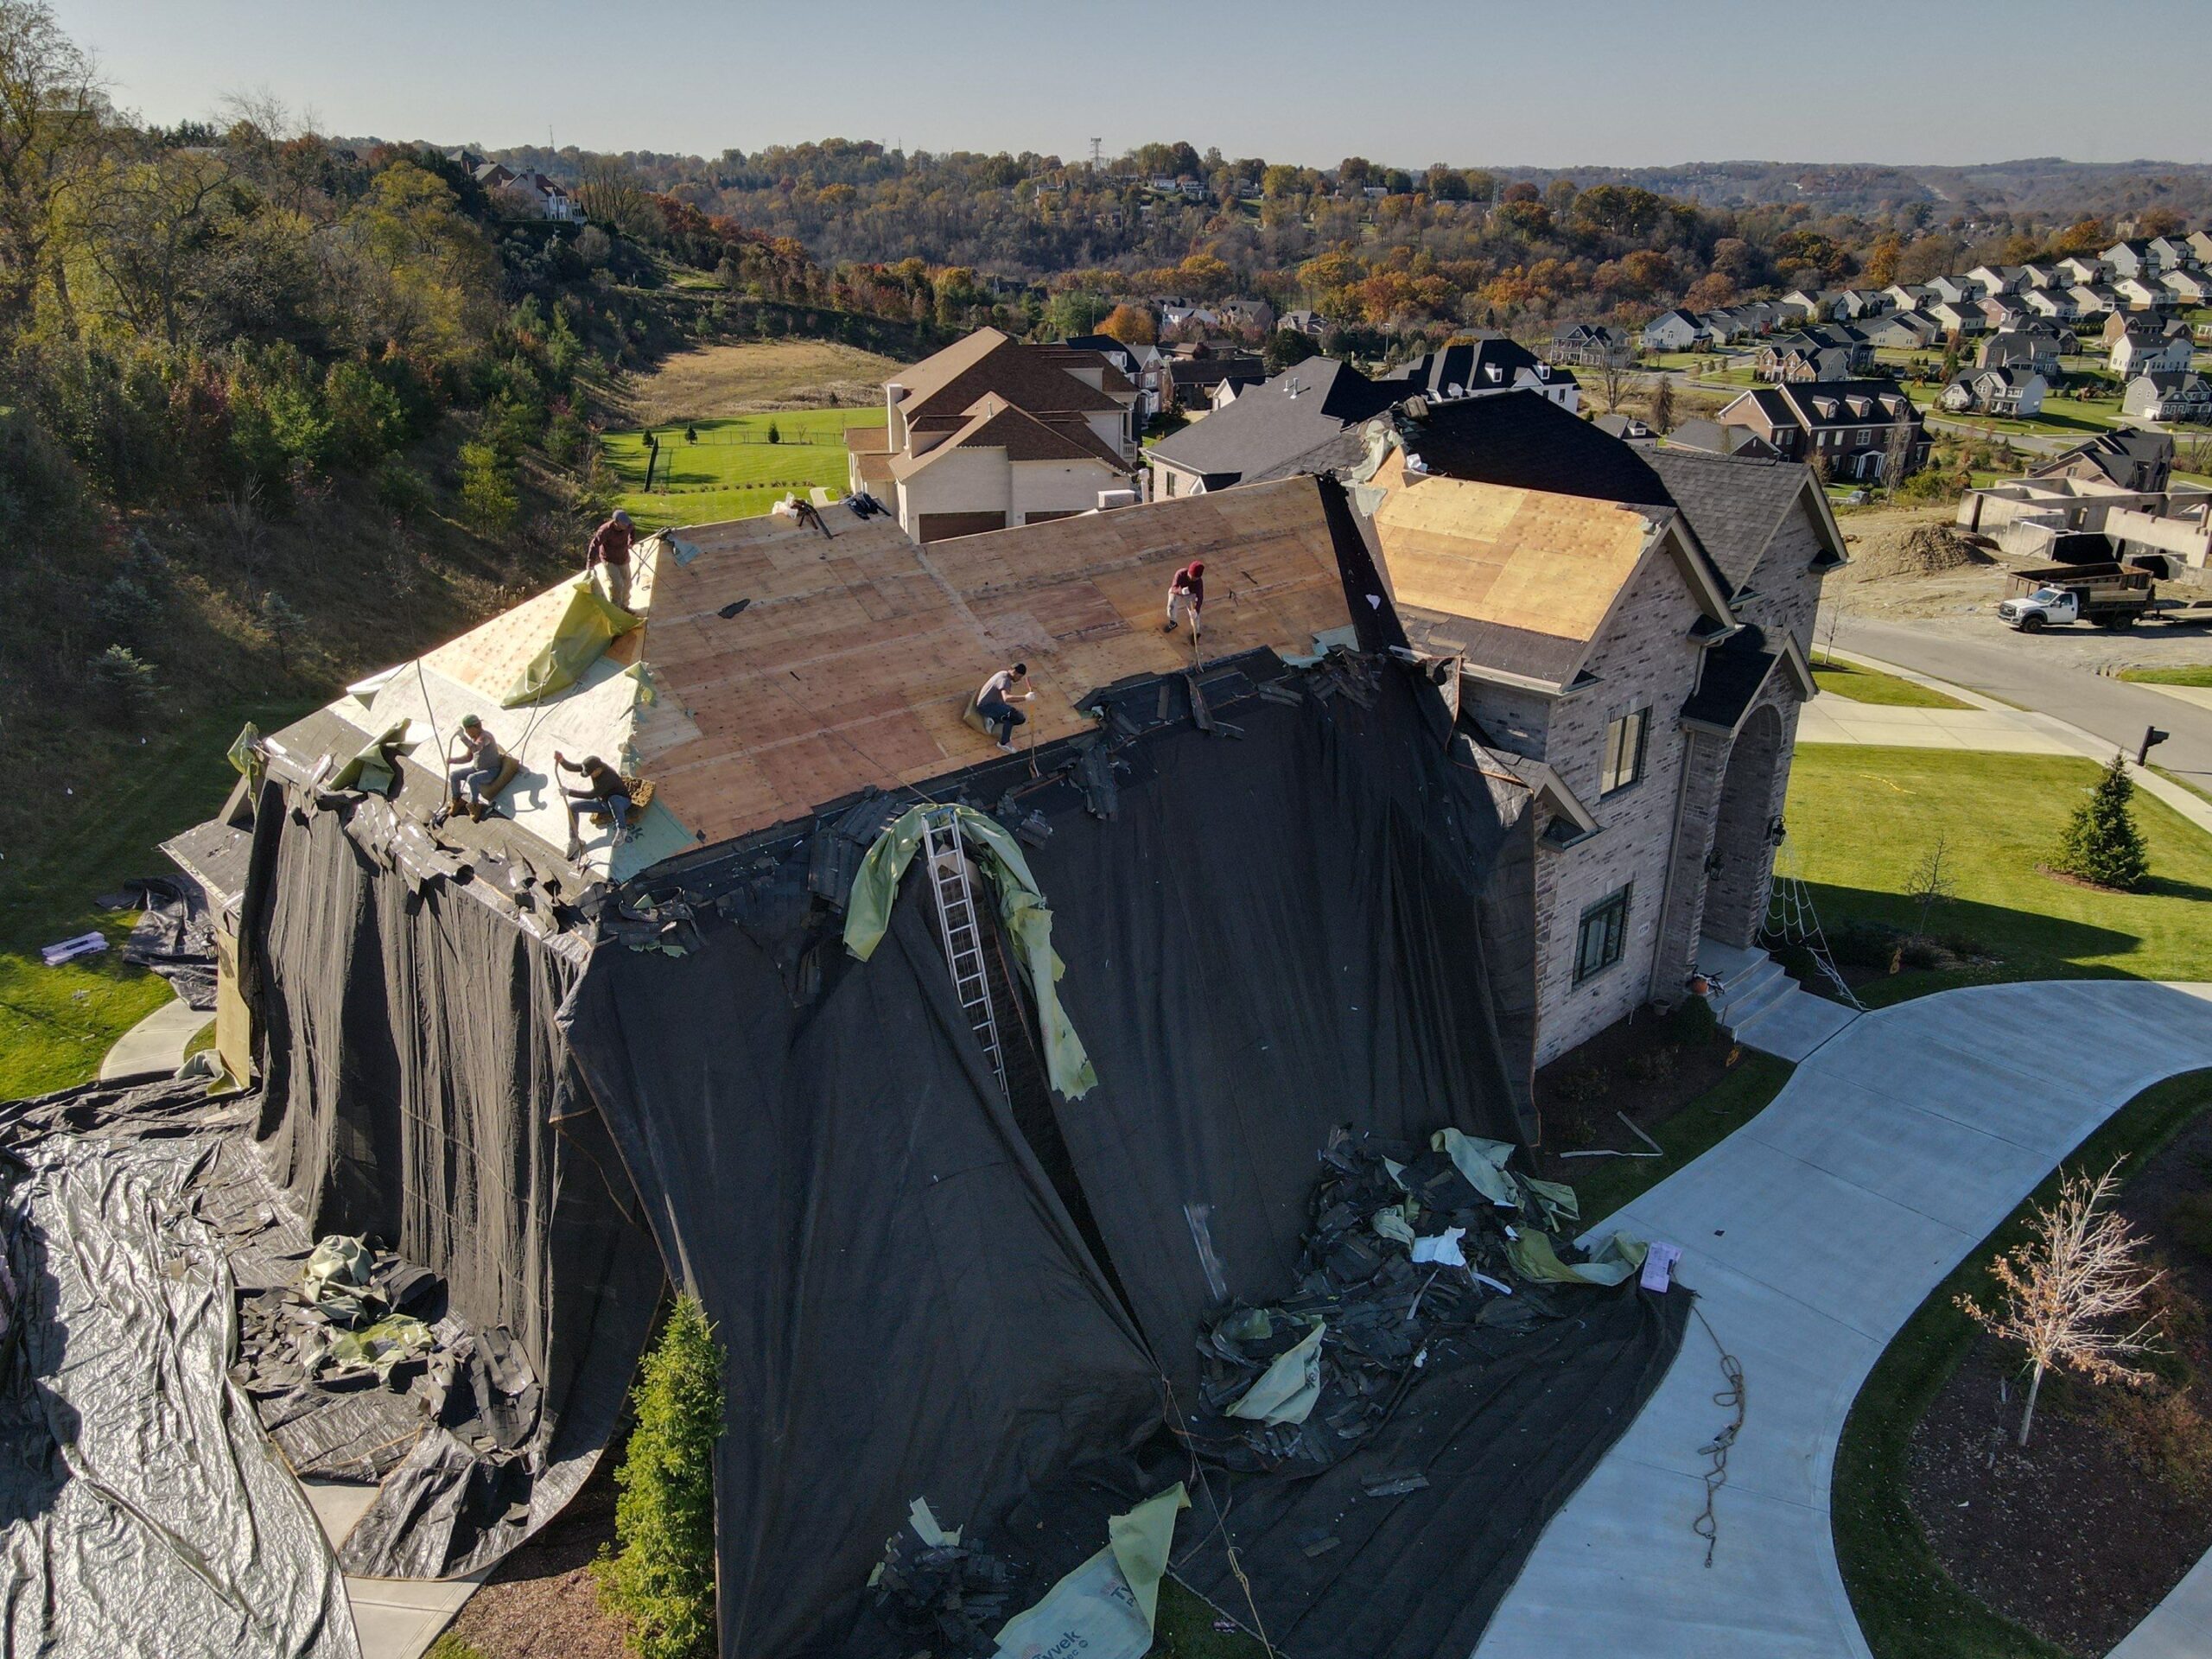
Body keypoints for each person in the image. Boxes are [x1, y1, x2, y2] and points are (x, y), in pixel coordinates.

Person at [553, 750, 634, 859]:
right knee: (573, 807)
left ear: (598, 770)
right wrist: (561, 760)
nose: (590, 775)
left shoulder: (608, 777)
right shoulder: (592, 768)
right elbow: (573, 767)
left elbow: (592, 794)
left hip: (621, 801)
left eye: (591, 774)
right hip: (602, 802)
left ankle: (622, 830)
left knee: (613, 800)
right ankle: (574, 840)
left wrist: (569, 792)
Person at [444, 715, 504, 821]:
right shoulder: (473, 739)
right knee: (454, 775)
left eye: (467, 730)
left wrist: (462, 737)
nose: (467, 733)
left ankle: (475, 805)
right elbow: (468, 757)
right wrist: (453, 760)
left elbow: (476, 748)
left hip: (491, 771)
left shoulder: (485, 737)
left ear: (472, 728)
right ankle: (458, 800)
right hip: (477, 769)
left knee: (472, 778)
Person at [975, 662, 1033, 753]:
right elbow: (1006, 698)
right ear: (1015, 672)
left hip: (988, 703)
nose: (1019, 679)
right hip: (986, 707)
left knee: (1010, 714)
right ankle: (1004, 743)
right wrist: (1025, 697)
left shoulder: (1002, 674)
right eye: (1019, 676)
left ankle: (992, 719)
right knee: (1015, 717)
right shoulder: (1004, 680)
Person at [586, 509, 637, 610]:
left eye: (627, 523)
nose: (626, 526)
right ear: (616, 522)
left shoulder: (629, 525)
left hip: (623, 557)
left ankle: (624, 606)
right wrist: (590, 563)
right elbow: (594, 545)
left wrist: (631, 542)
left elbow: (633, 530)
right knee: (617, 584)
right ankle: (615, 609)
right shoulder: (605, 530)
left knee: (627, 583)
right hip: (609, 559)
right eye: (623, 524)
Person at [1164, 559, 1205, 640]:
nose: (1193, 580)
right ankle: (1173, 622)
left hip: (1191, 595)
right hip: (1178, 591)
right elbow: (1173, 588)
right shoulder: (1180, 574)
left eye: (1196, 578)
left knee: (1194, 617)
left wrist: (1196, 610)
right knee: (1171, 607)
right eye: (1192, 577)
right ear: (1189, 572)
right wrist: (1181, 591)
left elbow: (1200, 597)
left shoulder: (1198, 583)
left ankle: (1196, 633)